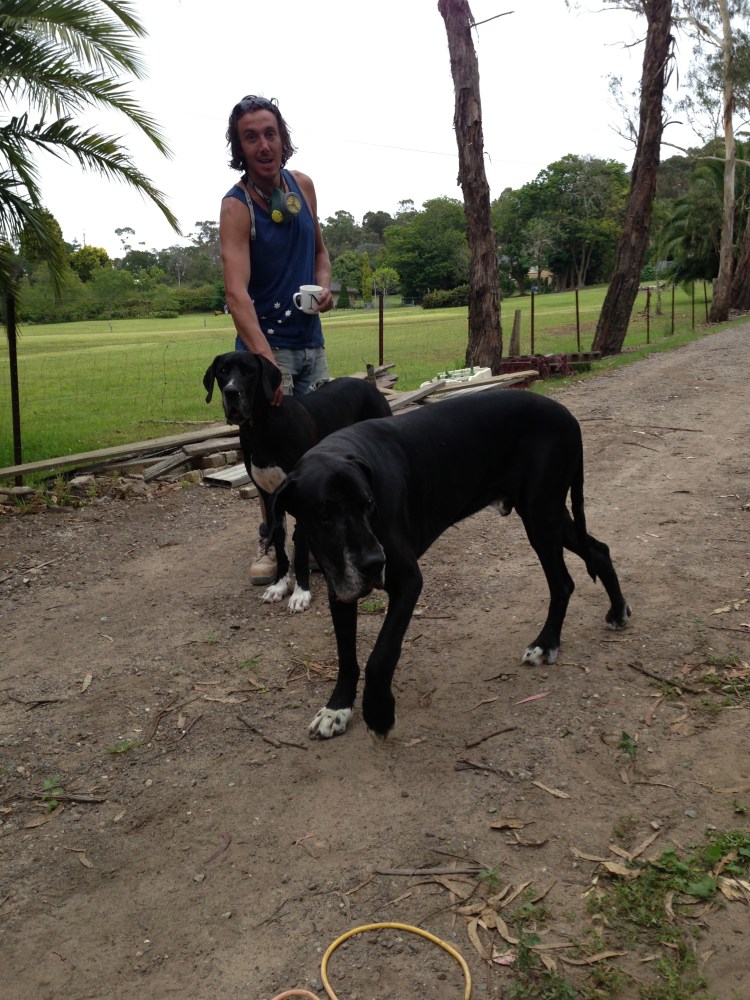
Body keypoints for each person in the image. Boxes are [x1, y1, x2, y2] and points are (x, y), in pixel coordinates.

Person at [220, 94, 334, 585]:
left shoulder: (302, 186)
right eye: (251, 137)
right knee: (266, 457)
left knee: (319, 451)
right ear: (239, 147)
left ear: (283, 137)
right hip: (267, 353)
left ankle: (318, 541)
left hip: (312, 343)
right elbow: (235, 293)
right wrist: (265, 362)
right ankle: (270, 540)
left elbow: (321, 254)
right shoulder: (237, 205)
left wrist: (326, 288)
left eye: (270, 133)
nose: (263, 144)